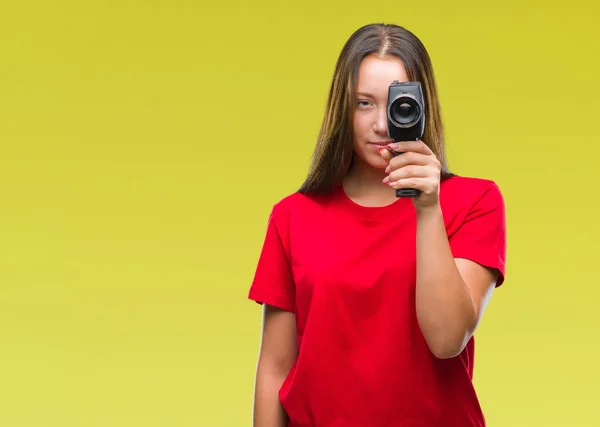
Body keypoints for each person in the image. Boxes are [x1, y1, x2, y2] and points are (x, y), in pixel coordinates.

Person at [248, 22, 506, 427]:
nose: (382, 124)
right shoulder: (292, 217)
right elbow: (274, 370)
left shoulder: (474, 202)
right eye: (363, 103)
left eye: (396, 103)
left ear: (422, 105)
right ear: (341, 109)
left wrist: (427, 208)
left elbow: (446, 340)